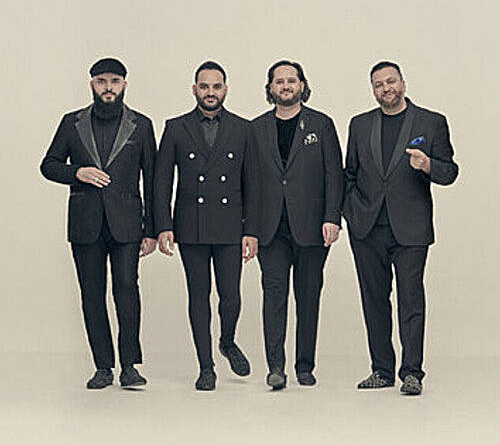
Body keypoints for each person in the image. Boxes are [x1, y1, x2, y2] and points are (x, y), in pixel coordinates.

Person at [40, 58, 156, 389]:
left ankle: (130, 366)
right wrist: (77, 172)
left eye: (115, 81)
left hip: (127, 224)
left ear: (124, 85)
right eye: (102, 81)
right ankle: (103, 367)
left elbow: (153, 179)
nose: (108, 87)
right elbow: (48, 165)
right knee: (92, 295)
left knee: (127, 291)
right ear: (92, 84)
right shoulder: (71, 123)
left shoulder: (141, 125)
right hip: (85, 224)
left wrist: (151, 230)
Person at [343, 61, 459, 395]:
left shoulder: (431, 122)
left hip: (411, 229)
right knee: (374, 301)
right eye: (378, 84)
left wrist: (428, 165)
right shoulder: (360, 124)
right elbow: (349, 174)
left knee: (411, 301)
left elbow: (450, 172)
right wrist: (352, 213)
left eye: (391, 81)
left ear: (403, 83)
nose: (386, 88)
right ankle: (381, 370)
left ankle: (412, 373)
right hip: (367, 229)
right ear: (373, 90)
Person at [154, 61, 259, 391]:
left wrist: (251, 230)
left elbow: (253, 184)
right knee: (198, 297)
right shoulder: (175, 127)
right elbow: (161, 182)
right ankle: (206, 366)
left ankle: (227, 341)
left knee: (231, 297)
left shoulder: (243, 128)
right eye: (204, 86)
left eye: (216, 86)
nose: (210, 92)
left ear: (225, 89)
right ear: (194, 90)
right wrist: (163, 225)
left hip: (230, 227)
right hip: (191, 226)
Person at [252, 60, 344, 390]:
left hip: (312, 228)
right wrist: (249, 228)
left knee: (308, 298)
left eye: (292, 80)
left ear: (302, 85)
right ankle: (275, 367)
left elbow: (335, 175)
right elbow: (249, 182)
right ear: (270, 88)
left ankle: (305, 365)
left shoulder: (322, 124)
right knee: (273, 297)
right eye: (279, 81)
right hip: (270, 230)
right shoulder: (256, 128)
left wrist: (332, 217)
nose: (286, 86)